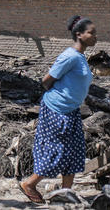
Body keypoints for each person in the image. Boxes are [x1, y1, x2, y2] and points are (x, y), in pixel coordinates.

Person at [19, 16, 96, 204]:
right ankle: (29, 184)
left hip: (71, 110)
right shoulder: (69, 56)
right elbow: (46, 81)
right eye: (91, 33)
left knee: (74, 151)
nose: (95, 37)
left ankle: (66, 192)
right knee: (58, 150)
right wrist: (60, 97)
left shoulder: (80, 56)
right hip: (57, 110)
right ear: (79, 34)